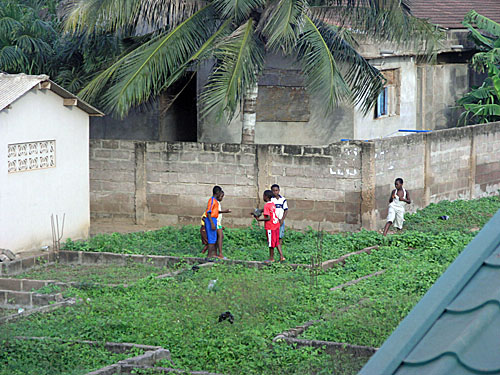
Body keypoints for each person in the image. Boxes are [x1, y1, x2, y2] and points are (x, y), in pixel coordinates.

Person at [252, 190, 285, 262]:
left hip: (270, 227)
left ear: (266, 197)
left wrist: (259, 219)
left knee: (271, 243)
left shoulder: (267, 205)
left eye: (263, 196)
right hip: (276, 225)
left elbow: (268, 218)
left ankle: (271, 258)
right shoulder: (272, 204)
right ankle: (282, 256)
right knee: (277, 241)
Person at [204, 186, 223, 258]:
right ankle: (209, 256)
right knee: (211, 239)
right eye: (220, 192)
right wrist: (212, 223)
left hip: (214, 219)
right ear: (217, 193)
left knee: (214, 238)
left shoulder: (215, 201)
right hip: (210, 219)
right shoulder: (211, 200)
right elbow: (208, 212)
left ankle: (211, 255)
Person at [216, 191, 231, 259]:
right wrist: (225, 211)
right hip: (216, 223)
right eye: (221, 196)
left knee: (220, 237)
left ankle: (217, 252)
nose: (222, 198)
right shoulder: (215, 202)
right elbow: (215, 212)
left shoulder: (217, 203)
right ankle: (220, 254)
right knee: (220, 236)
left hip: (218, 223)